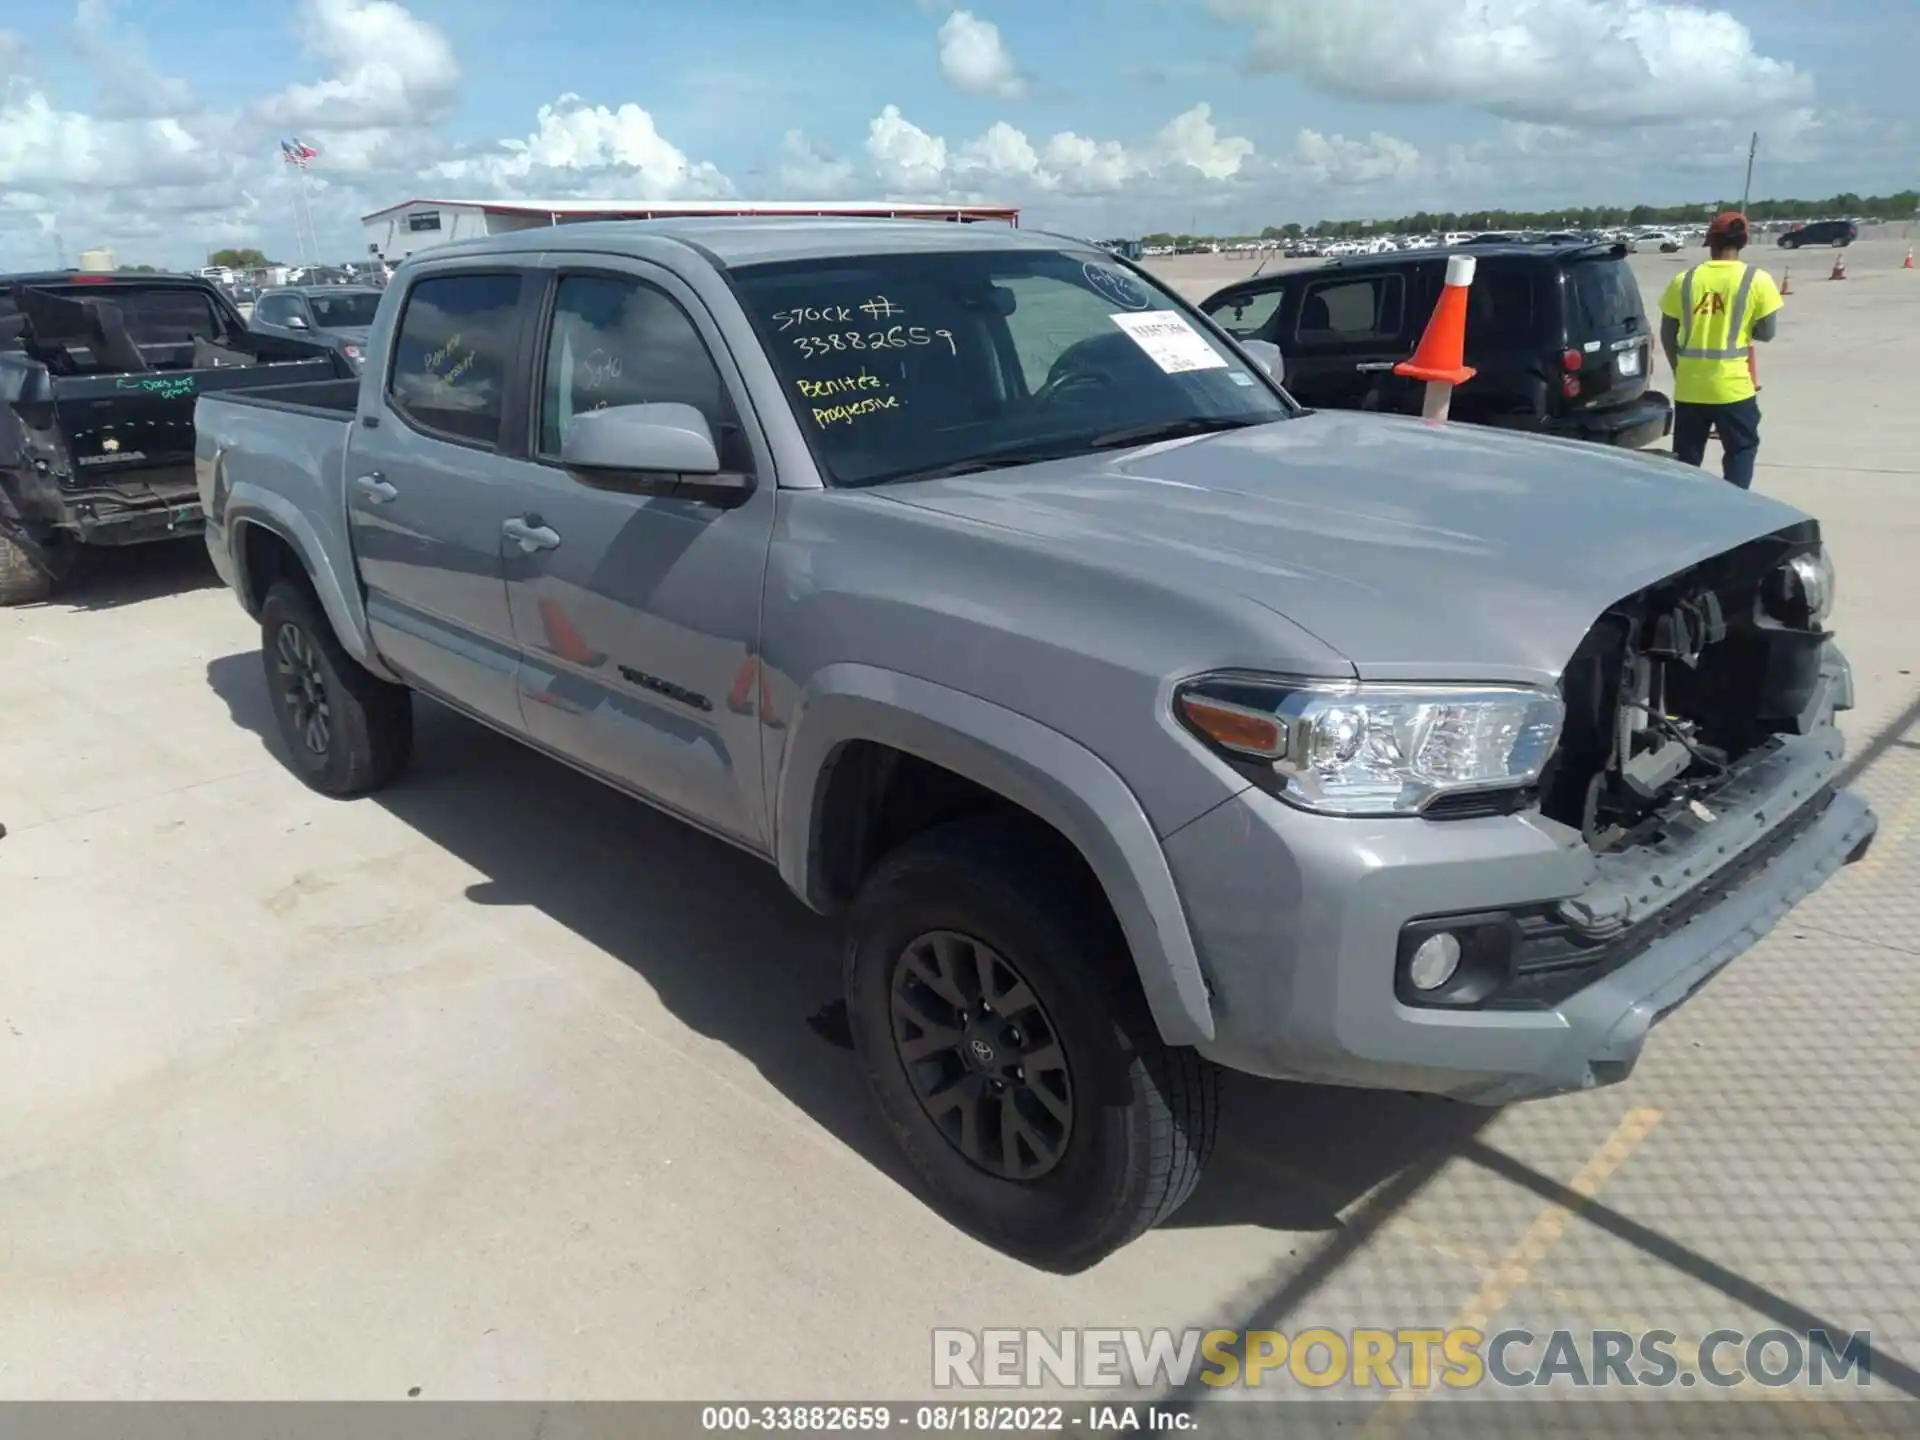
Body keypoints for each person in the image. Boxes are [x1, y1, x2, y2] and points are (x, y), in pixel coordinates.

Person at [1658, 212, 1782, 489]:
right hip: (1733, 387)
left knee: (1686, 459)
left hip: (1691, 387)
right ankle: (1734, 508)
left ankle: (1685, 508)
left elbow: (1667, 334)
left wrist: (1681, 369)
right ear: (1743, 241)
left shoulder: (1685, 280)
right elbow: (1767, 333)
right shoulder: (1757, 280)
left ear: (1710, 242)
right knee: (1740, 449)